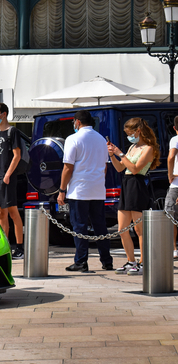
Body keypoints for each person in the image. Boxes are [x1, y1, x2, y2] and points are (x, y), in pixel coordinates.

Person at [57, 110, 113, 272]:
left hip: (79, 189)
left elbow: (68, 167)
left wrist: (62, 190)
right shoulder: (101, 139)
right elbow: (104, 166)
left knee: (79, 226)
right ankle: (106, 260)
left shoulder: (73, 139)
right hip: (97, 189)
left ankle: (81, 261)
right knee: (100, 226)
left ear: (77, 122)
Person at [107, 117, 160, 275]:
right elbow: (119, 168)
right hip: (127, 184)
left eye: (130, 133)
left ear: (138, 131)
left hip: (137, 185)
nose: (129, 136)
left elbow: (135, 168)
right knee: (122, 228)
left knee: (139, 229)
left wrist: (120, 153)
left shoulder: (148, 148)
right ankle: (131, 261)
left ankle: (144, 262)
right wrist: (112, 155)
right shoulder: (132, 148)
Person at [0, 103, 24, 259]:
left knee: (12, 211)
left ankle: (20, 247)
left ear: (4, 114)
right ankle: (6, 245)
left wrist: (8, 174)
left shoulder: (12, 131)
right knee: (0, 213)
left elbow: (17, 155)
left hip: (7, 176)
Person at [166, 115, 178, 260]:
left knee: (169, 214)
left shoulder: (175, 139)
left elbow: (170, 157)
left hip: (176, 184)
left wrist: (170, 174)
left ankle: (174, 248)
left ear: (174, 128)